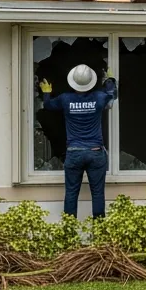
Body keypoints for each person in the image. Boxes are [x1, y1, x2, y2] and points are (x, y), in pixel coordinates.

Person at [40, 64, 117, 219]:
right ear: (91, 82)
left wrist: (47, 93)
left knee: (71, 192)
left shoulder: (65, 99)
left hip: (74, 153)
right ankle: (99, 230)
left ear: (73, 82)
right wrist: (110, 80)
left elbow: (48, 105)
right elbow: (112, 95)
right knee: (97, 193)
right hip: (95, 152)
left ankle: (69, 229)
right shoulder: (99, 97)